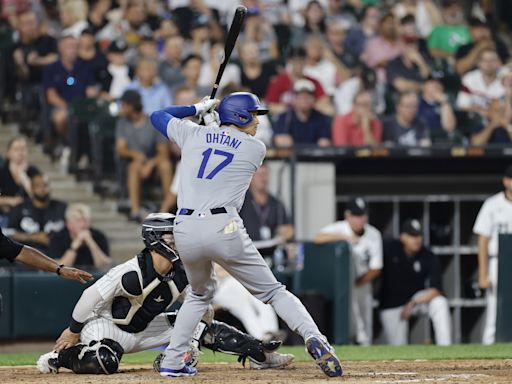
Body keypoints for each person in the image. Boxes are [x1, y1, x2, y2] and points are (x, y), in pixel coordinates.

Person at [150, 92, 342, 377]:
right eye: (253, 115)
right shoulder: (255, 147)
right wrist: (210, 123)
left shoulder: (192, 133)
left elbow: (158, 116)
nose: (257, 121)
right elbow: (224, 141)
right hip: (223, 225)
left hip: (184, 228)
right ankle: (315, 338)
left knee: (199, 295)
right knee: (274, 292)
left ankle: (173, 361)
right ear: (240, 116)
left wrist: (198, 108)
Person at [36, 213, 293, 374]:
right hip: (107, 327)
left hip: (146, 328)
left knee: (202, 326)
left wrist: (191, 342)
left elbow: (202, 308)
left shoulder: (184, 270)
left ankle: (260, 354)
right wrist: (73, 330)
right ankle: (61, 358)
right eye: (172, 235)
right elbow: (89, 297)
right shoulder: (130, 271)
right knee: (105, 361)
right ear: (155, 238)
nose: (177, 240)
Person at [314, 197, 382, 346]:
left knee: (365, 327)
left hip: (363, 282)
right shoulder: (340, 228)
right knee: (349, 325)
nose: (361, 219)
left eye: (363, 215)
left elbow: (376, 268)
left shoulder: (373, 234)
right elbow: (318, 238)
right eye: (357, 215)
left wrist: (357, 283)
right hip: (342, 284)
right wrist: (345, 238)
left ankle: (366, 354)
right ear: (348, 216)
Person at [380, 219, 451, 346]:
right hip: (392, 304)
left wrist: (413, 303)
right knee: (397, 348)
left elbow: (436, 290)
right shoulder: (390, 249)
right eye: (412, 236)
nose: (416, 239)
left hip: (415, 301)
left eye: (419, 235)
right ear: (402, 237)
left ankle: (445, 347)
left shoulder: (428, 255)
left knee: (440, 302)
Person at [115, 89, 173, 221]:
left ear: (132, 105)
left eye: (123, 104)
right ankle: (135, 211)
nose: (121, 108)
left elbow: (163, 151)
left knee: (166, 165)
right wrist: (135, 155)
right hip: (133, 164)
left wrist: (151, 164)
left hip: (153, 162)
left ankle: (168, 208)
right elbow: (121, 148)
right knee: (134, 166)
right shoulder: (122, 123)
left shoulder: (151, 122)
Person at [473, 165, 512, 344]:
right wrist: (483, 273)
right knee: (494, 309)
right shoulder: (492, 204)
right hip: (498, 261)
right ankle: (488, 353)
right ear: (506, 181)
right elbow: (482, 240)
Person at [8, 173, 67, 253]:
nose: (42, 188)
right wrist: (34, 237)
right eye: (38, 185)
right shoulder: (20, 208)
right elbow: (9, 233)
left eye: (45, 185)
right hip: (26, 256)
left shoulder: (61, 207)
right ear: (31, 188)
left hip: (57, 255)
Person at [273, 79, 332, 147]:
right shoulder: (285, 118)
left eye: (308, 97)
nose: (304, 100)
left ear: (314, 99)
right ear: (294, 98)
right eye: (300, 97)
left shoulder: (322, 119)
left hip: (315, 156)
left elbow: (324, 143)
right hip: (292, 156)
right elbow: (281, 141)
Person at [49, 203, 111, 269]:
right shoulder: (57, 238)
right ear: (68, 224)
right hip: (67, 278)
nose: (83, 225)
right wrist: (74, 246)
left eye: (86, 220)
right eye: (78, 221)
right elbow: (60, 268)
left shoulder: (99, 236)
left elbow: (105, 266)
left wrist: (91, 243)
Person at [0, 136, 40, 216]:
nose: (20, 153)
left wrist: (23, 177)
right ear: (8, 153)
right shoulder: (2, 172)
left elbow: (38, 197)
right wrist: (10, 201)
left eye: (23, 149)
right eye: (16, 149)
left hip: (29, 215)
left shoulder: (33, 171)